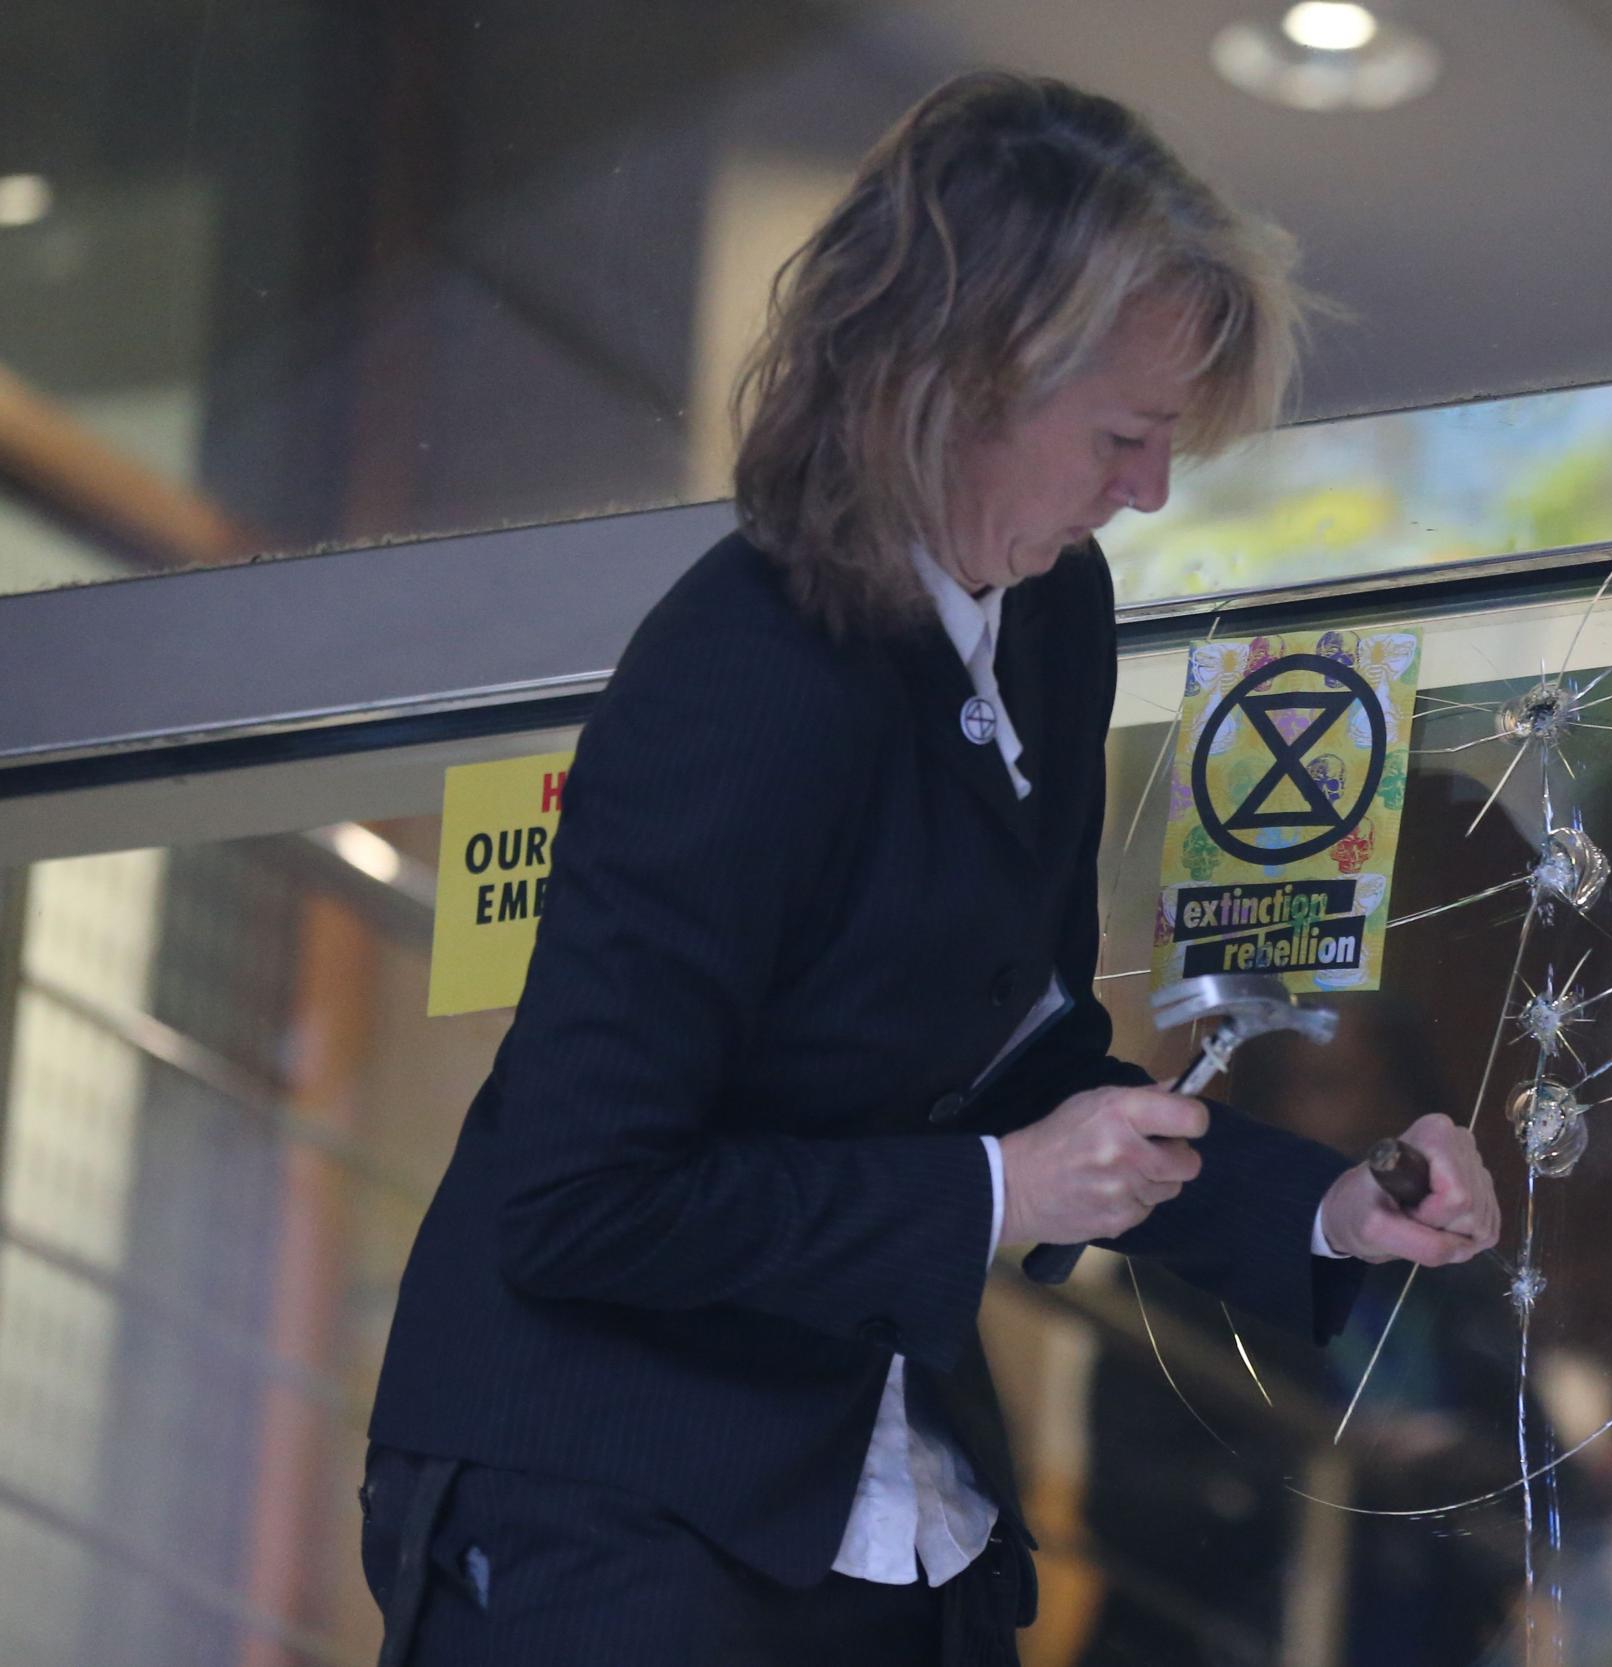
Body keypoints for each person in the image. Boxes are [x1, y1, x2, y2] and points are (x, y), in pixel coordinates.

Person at [358, 72, 1498, 1667]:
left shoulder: (1046, 616)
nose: (1148, 488)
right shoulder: (739, 676)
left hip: (868, 1479)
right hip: (611, 1499)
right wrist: (997, 1192)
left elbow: (1021, 1057)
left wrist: (1324, 1210)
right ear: (965, 379)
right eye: (1122, 434)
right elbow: (577, 1198)